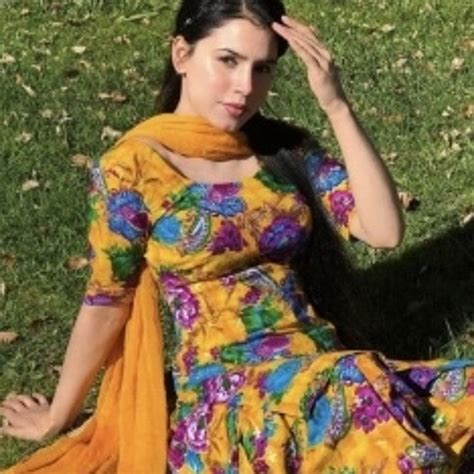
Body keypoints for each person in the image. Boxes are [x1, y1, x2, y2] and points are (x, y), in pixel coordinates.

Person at [1, 0, 472, 472]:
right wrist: (57, 415)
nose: (246, 86)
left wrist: (336, 105)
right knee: (360, 397)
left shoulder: (281, 150)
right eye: (228, 60)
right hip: (227, 390)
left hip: (321, 367)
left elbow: (384, 230)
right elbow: (108, 298)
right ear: (182, 55)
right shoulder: (133, 170)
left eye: (262, 68)